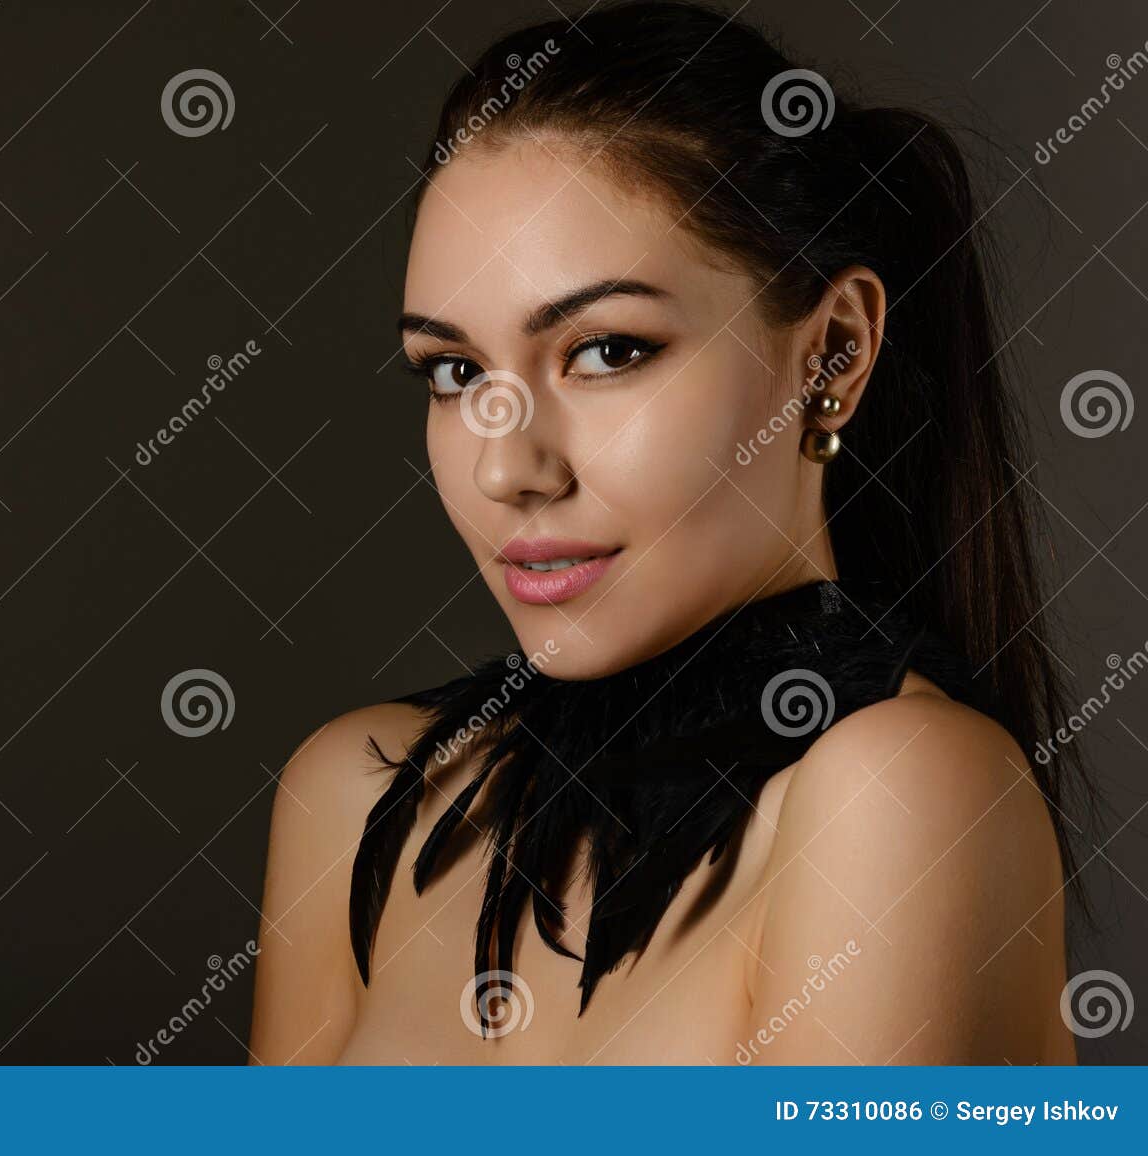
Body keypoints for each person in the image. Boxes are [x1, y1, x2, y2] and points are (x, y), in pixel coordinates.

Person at [250, 1, 1080, 1065]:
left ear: (829, 355)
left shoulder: (901, 792)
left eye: (605, 352)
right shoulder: (355, 795)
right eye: (455, 373)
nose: (508, 467)